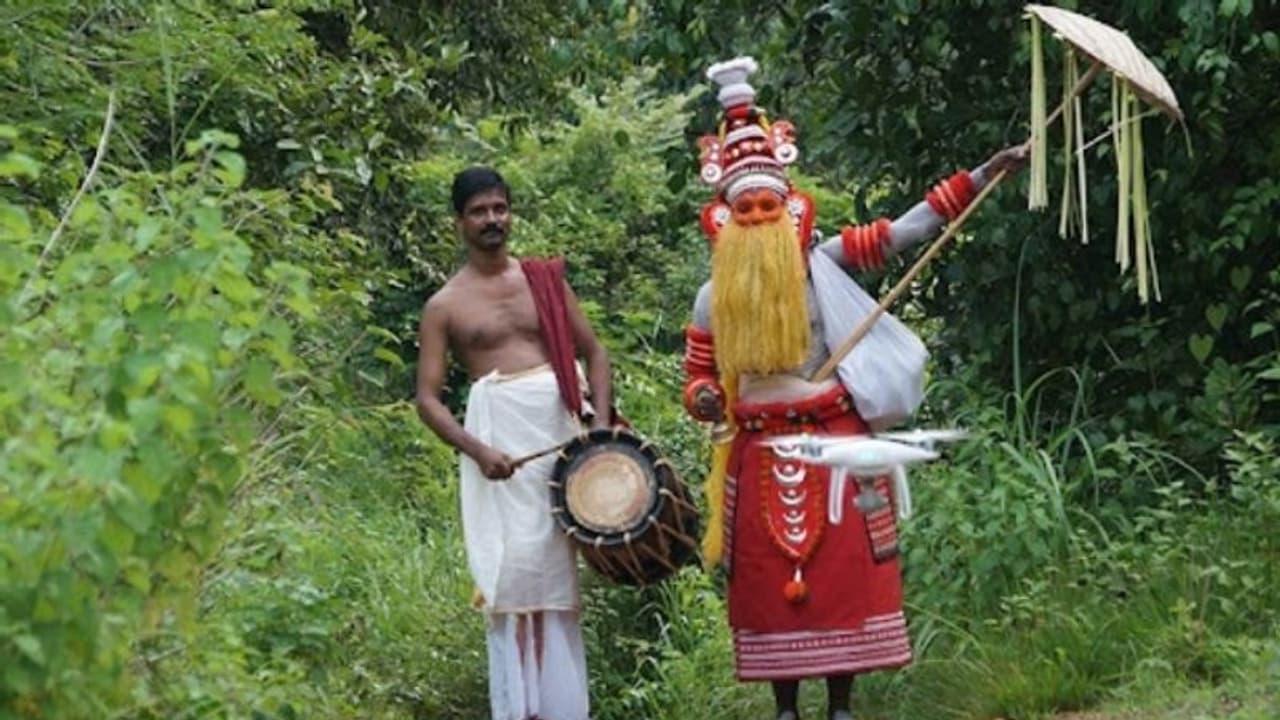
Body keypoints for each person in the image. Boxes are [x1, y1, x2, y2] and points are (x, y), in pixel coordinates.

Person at [681, 58, 1028, 720]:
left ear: (790, 209)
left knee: (845, 578)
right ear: (724, 218)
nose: (757, 217)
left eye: (767, 205)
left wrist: (984, 174)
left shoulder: (824, 264)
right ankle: (786, 709)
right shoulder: (709, 299)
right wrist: (703, 398)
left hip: (836, 441)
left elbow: (902, 234)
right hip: (760, 450)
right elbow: (699, 377)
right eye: (745, 208)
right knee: (767, 584)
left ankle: (842, 707)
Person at [415, 166, 613, 720]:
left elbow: (594, 353)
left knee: (559, 580)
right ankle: (520, 709)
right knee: (514, 575)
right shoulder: (445, 305)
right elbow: (427, 398)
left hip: (562, 445)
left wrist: (597, 427)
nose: (492, 220)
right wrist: (478, 450)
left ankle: (562, 709)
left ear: (511, 213)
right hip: (499, 450)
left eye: (499, 208)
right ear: (459, 222)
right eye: (479, 211)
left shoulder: (544, 281)